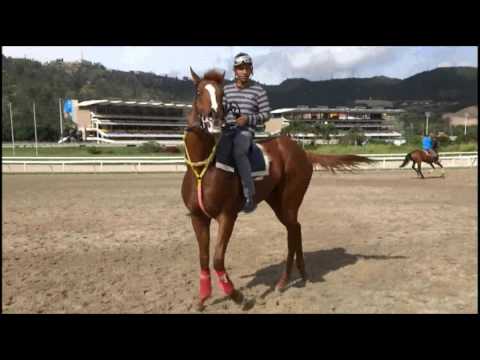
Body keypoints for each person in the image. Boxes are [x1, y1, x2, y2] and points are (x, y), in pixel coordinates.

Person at [223, 53, 271, 213]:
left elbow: (266, 115)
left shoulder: (259, 91)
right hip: (225, 130)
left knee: (238, 150)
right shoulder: (226, 89)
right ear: (234, 71)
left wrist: (248, 119)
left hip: (245, 132)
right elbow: (220, 110)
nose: (243, 71)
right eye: (240, 68)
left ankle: (249, 195)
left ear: (251, 70)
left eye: (246, 68)